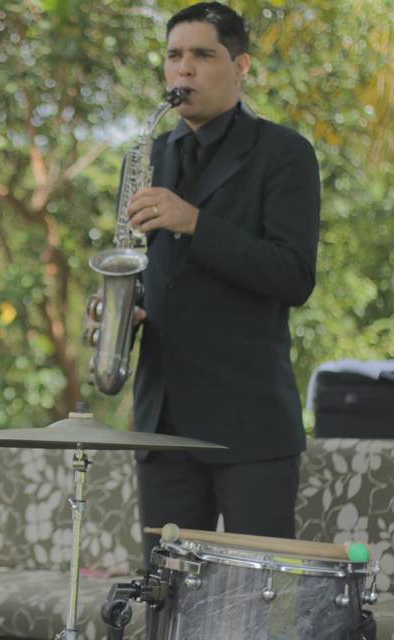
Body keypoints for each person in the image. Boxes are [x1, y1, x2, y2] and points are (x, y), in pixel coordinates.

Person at [124, 2, 320, 560]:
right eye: (174, 56)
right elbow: (147, 269)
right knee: (165, 603)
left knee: (255, 604)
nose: (184, 69)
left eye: (203, 55)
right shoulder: (149, 155)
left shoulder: (285, 153)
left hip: (250, 426)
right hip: (162, 426)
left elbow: (294, 276)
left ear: (241, 66)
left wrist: (196, 223)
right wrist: (118, 308)